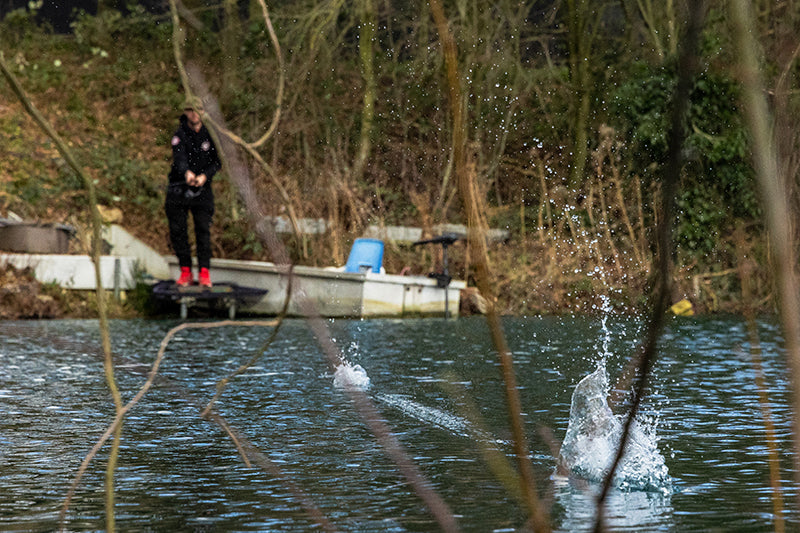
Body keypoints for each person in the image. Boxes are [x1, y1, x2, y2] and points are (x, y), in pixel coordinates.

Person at [165, 97, 221, 287]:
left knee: (203, 230)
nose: (194, 114)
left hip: (203, 189)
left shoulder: (211, 135)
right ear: (186, 112)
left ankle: (204, 272)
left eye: (197, 110)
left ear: (203, 112)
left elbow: (217, 162)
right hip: (179, 188)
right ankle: (186, 271)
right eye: (190, 110)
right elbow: (179, 157)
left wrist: (205, 176)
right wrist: (187, 173)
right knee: (178, 231)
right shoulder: (179, 134)